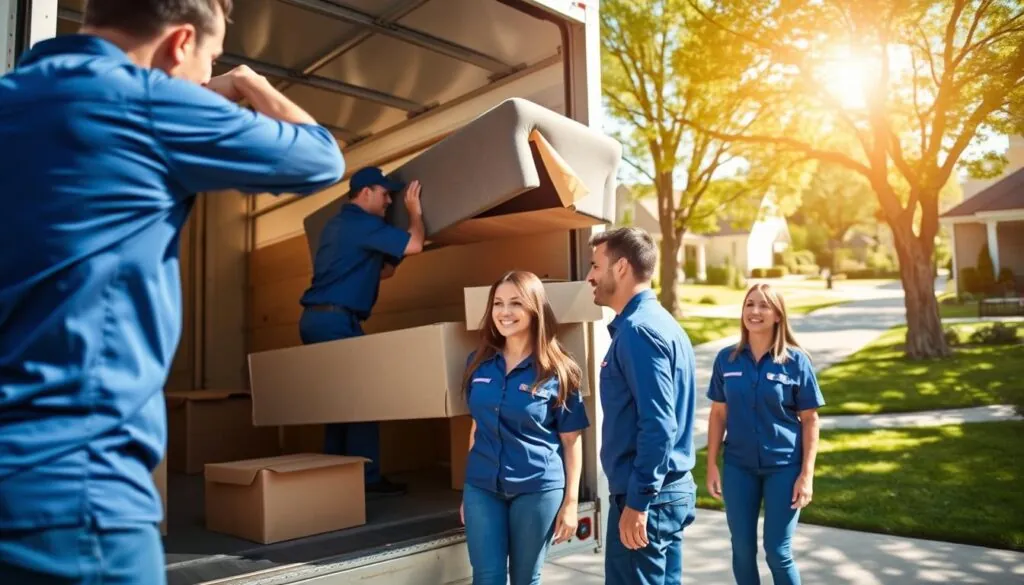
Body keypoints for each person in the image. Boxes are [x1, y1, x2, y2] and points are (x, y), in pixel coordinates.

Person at [0, 0, 346, 582]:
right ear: (180, 43)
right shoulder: (147, 102)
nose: (207, 82)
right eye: (208, 64)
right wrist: (248, 83)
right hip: (73, 492)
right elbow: (319, 158)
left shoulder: (14, 96)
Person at [297, 165, 426, 496]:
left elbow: (383, 273)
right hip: (334, 321)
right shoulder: (361, 223)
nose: (388, 203)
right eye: (385, 195)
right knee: (365, 398)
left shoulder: (339, 226)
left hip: (321, 319)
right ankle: (365, 480)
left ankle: (337, 474)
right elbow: (415, 245)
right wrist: (414, 213)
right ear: (365, 192)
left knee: (339, 403)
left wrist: (393, 248)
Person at [460, 270, 590, 585]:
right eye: (498, 304)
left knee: (524, 579)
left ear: (535, 309)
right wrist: (468, 489)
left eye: (516, 303)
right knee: (486, 578)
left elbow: (571, 441)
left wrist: (571, 504)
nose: (505, 312)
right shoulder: (477, 364)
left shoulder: (559, 370)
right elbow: (477, 427)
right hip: (482, 488)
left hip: (537, 489)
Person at [585, 227, 697, 585]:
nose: (589, 276)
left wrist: (638, 503)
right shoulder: (662, 323)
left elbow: (659, 424)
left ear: (620, 268)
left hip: (649, 497)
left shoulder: (638, 331)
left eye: (595, 266)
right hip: (663, 493)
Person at [704, 283, 824, 585]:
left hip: (784, 468)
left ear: (778, 315)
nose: (754, 312)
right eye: (749, 305)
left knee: (777, 551)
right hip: (738, 466)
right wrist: (711, 465)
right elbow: (719, 413)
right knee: (742, 549)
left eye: (763, 306)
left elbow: (810, 420)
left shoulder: (797, 362)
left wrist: (806, 475)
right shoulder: (726, 360)